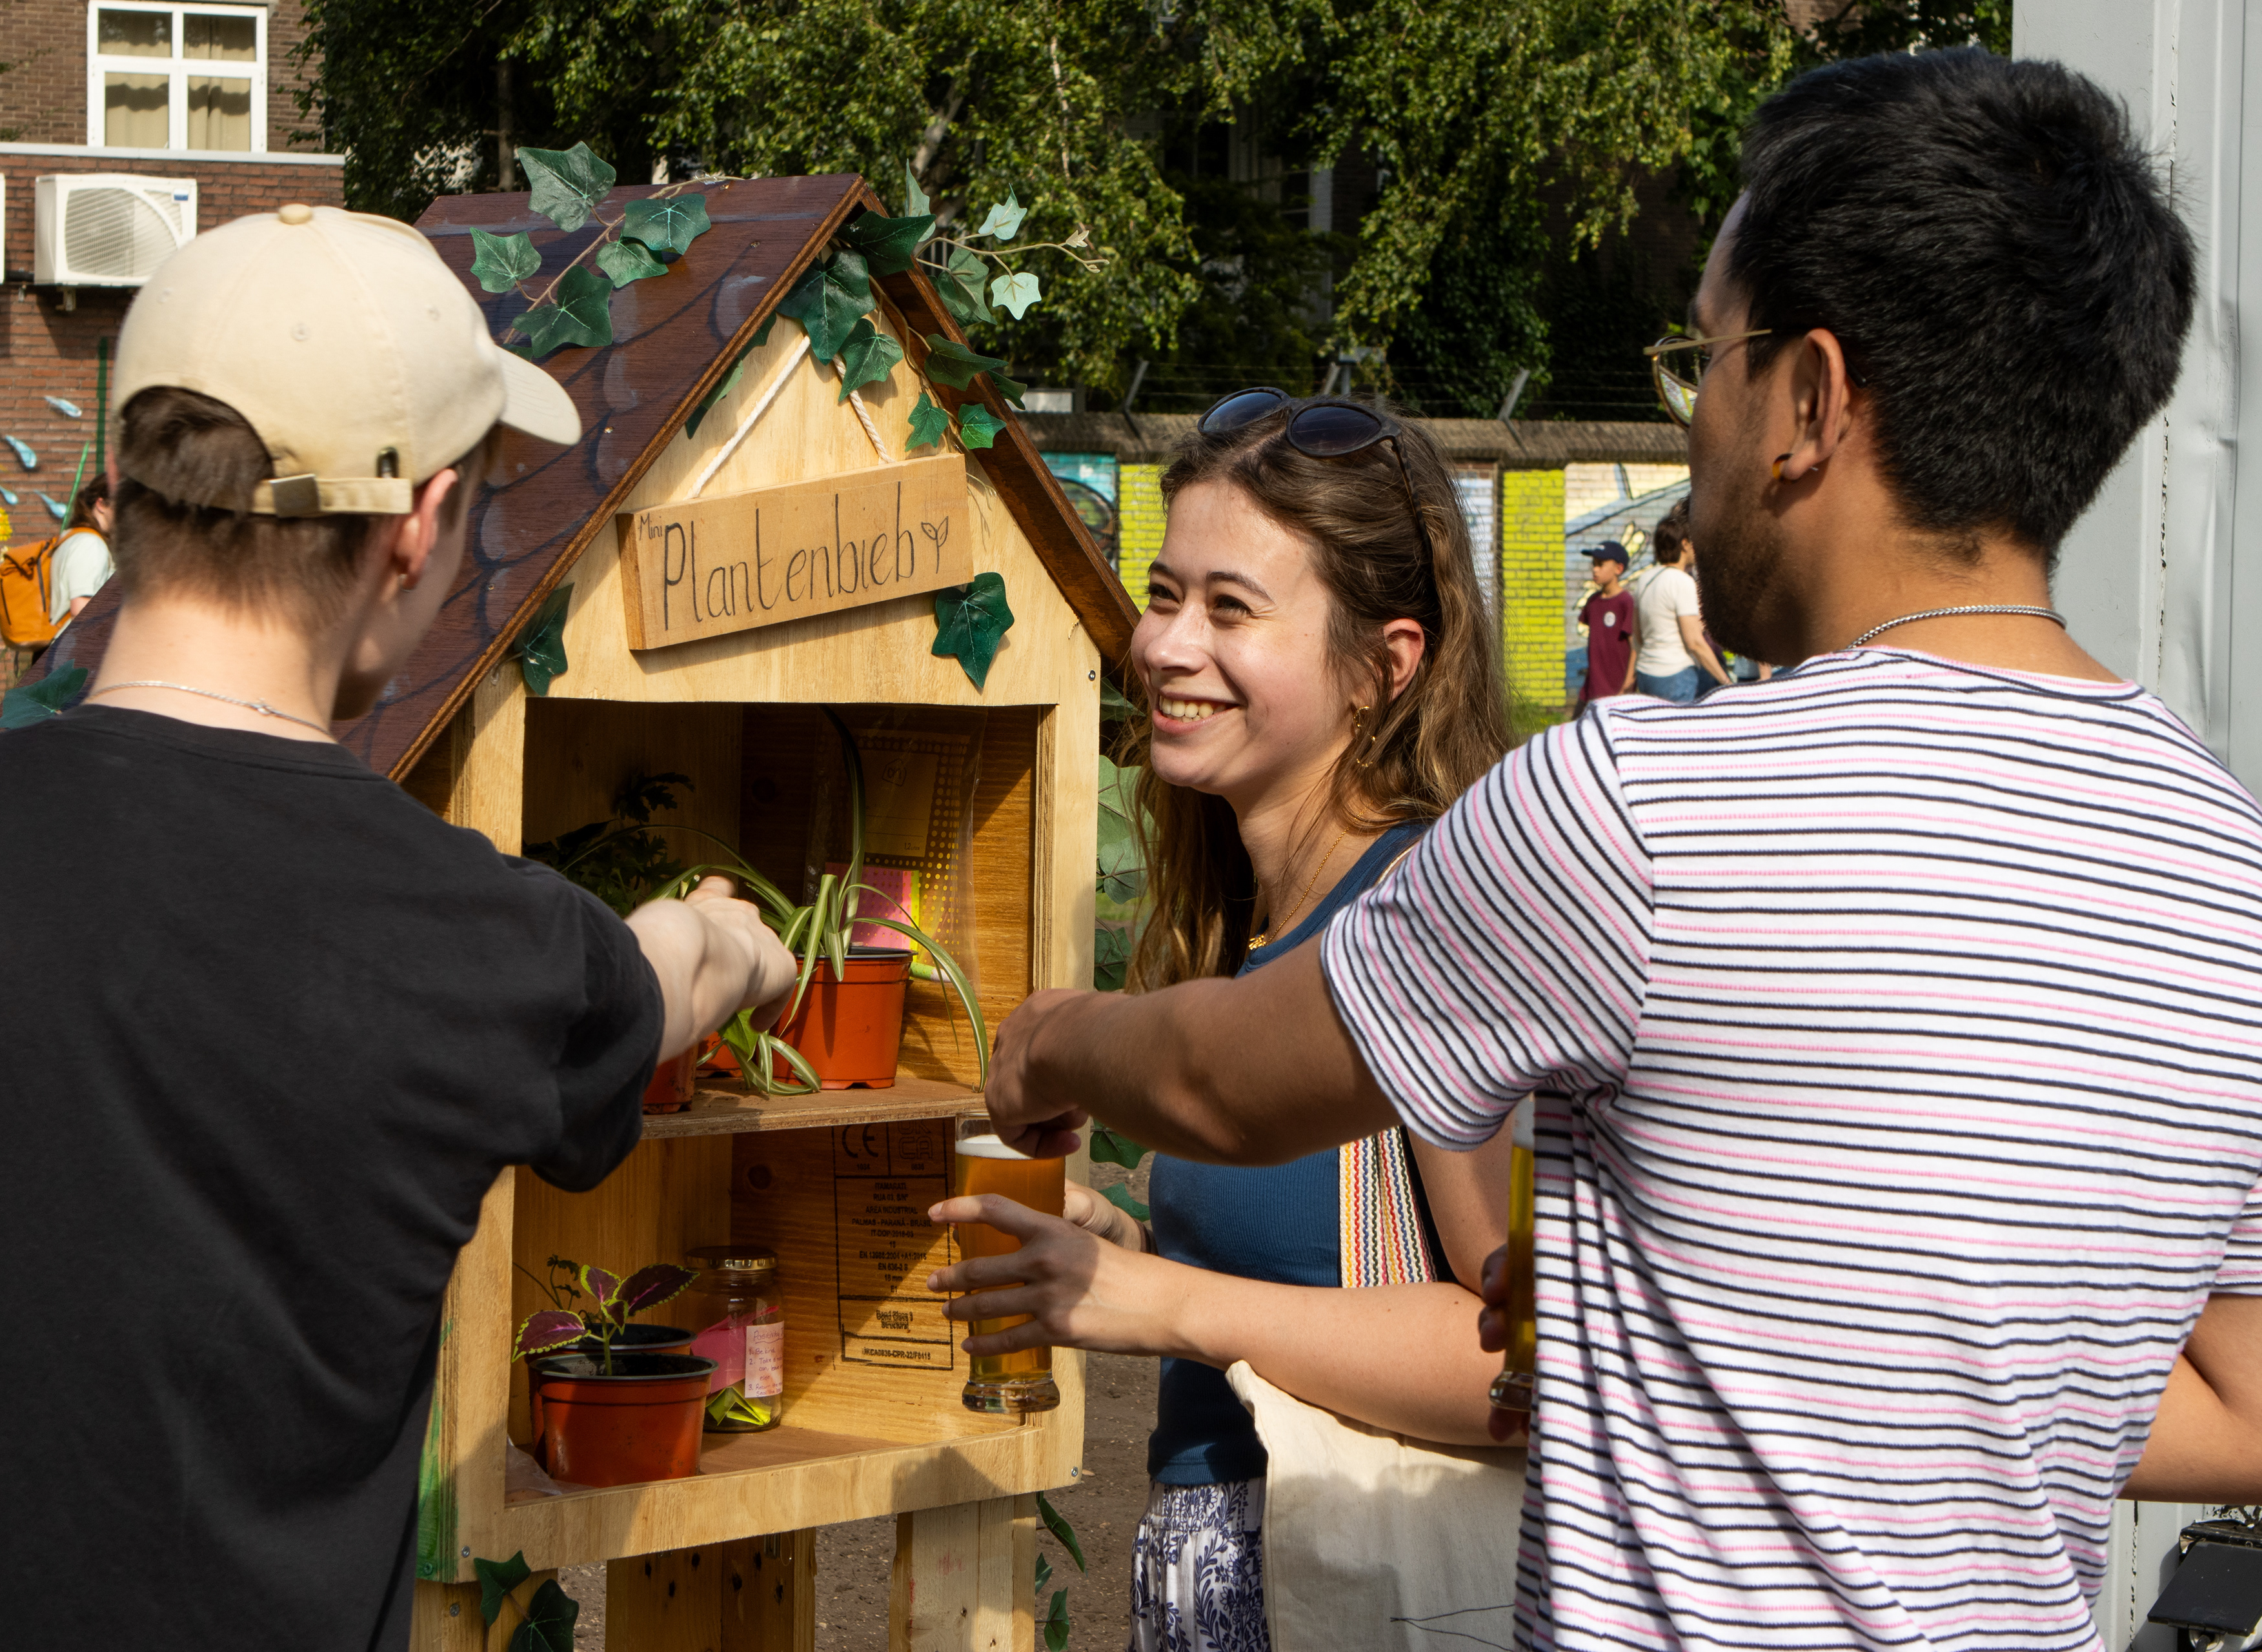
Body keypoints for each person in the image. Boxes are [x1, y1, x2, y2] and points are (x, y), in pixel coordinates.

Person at [969, 48, 2262, 1652]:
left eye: (1699, 360)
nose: (1691, 423)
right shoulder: (2226, 861)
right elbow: (2237, 1405)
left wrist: (1054, 1041)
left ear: (1807, 401)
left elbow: (1229, 1081)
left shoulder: (1640, 803)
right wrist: (1698, 1343)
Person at [0, 205, 800, 1646]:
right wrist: (742, 941)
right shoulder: (482, 940)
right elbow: (666, 976)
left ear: (117, 490)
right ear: (418, 528)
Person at [927, 389, 1515, 1651]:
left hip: (1352, 1587)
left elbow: (1514, 1358)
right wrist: (1122, 1239)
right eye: (1163, 594)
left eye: (1231, 608)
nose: (1168, 645)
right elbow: (1311, 1273)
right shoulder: (1247, 929)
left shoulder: (1423, 918)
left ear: (1386, 665)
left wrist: (1159, 1299)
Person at [1626, 497, 1730, 700]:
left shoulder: (1645, 579)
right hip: (1675, 675)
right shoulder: (1682, 582)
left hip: (1647, 673)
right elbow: (1695, 643)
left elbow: (1638, 636)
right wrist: (1726, 682)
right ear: (1684, 544)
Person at [48, 472, 114, 631]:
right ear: (101, 505)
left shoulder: (72, 537)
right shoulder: (90, 544)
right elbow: (81, 611)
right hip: (76, 645)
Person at [1573, 541, 1635, 709]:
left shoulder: (1626, 602)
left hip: (1617, 692)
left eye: (1601, 565)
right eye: (1594, 564)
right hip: (1591, 690)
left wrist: (1627, 684)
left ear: (1619, 569)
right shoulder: (1593, 602)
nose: (1595, 569)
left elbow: (1635, 647)